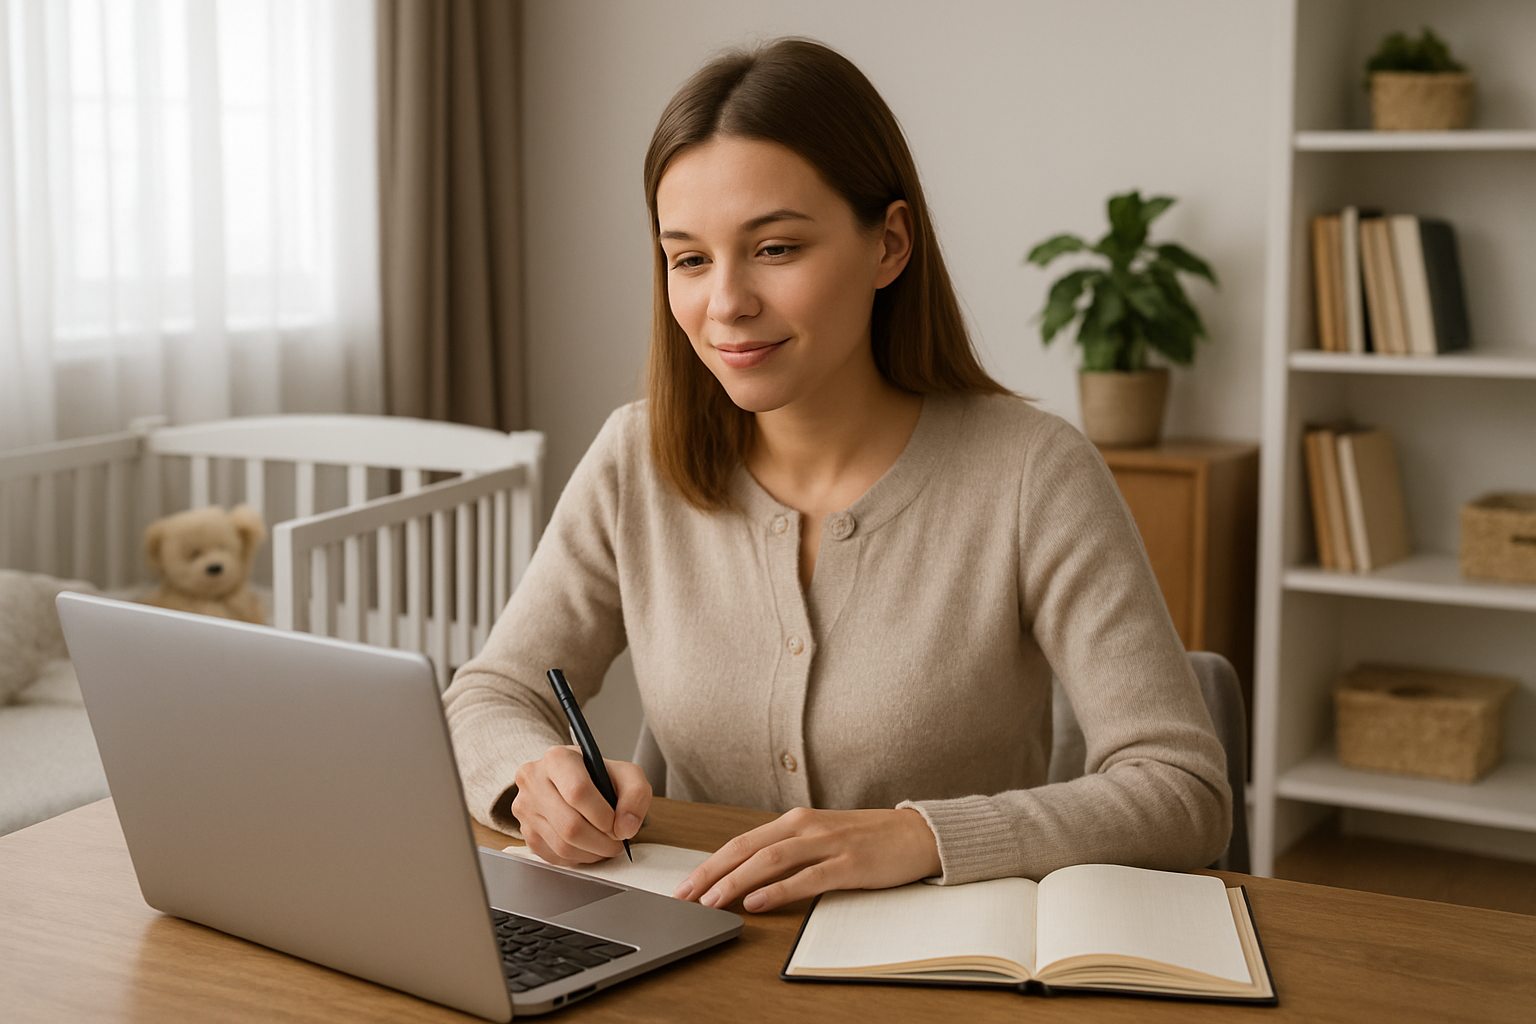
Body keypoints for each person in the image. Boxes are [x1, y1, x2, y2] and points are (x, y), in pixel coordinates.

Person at [443, 37, 1230, 915]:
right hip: (697, 965)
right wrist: (532, 782)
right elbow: (491, 692)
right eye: (689, 258)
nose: (725, 303)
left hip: (948, 970)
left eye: (774, 249)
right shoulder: (636, 458)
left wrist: (920, 837)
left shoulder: (1032, 473)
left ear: (888, 244)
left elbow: (1181, 789)